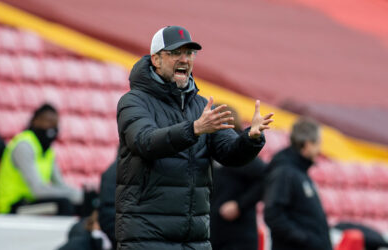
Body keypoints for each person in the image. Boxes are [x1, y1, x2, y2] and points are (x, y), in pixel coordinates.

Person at [116, 25, 274, 250]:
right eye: (175, 53)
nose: (185, 59)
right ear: (156, 59)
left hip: (195, 239)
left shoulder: (200, 105)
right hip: (147, 237)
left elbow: (229, 153)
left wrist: (250, 138)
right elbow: (144, 142)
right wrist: (194, 129)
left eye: (190, 53)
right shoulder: (134, 101)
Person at [0, 104, 82, 215]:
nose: (51, 127)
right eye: (48, 121)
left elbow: (60, 184)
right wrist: (75, 195)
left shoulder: (48, 151)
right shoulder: (24, 145)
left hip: (31, 203)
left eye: (55, 123)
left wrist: (82, 195)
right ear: (35, 121)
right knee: (64, 205)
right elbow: (38, 191)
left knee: (84, 204)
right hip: (12, 207)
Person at [263, 117, 332, 250]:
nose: (320, 150)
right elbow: (273, 215)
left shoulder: (298, 171)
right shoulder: (284, 172)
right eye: (318, 143)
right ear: (307, 144)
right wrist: (305, 239)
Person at [210, 106, 267, 250]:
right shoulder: (209, 147)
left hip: (238, 237)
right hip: (215, 234)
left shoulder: (238, 148)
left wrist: (239, 205)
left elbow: (266, 178)